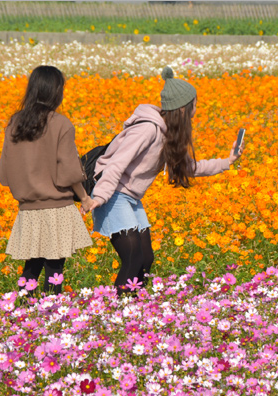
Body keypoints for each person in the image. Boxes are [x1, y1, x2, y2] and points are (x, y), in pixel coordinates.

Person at [81, 66, 243, 297]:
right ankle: (116, 310)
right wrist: (100, 196)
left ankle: (134, 307)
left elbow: (187, 168)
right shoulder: (148, 129)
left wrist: (228, 161)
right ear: (184, 108)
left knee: (146, 258)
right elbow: (117, 162)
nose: (197, 108)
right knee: (133, 256)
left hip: (130, 197)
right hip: (113, 193)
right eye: (194, 103)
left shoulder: (168, 134)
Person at [0, 65, 93, 299]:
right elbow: (68, 171)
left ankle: (22, 307)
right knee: (54, 267)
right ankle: (51, 313)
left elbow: (3, 173)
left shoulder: (15, 123)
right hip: (57, 207)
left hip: (28, 209)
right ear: (56, 92)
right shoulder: (61, 124)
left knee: (32, 264)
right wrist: (85, 198)